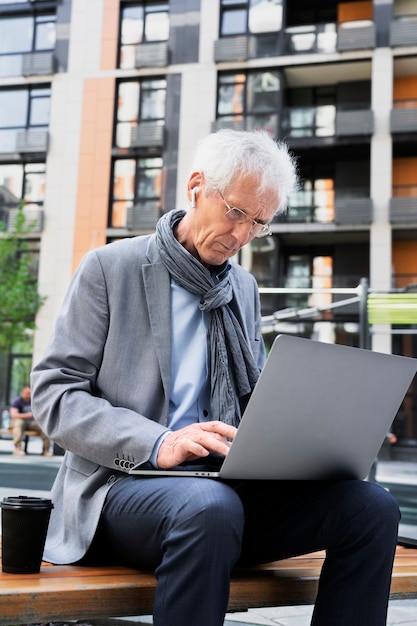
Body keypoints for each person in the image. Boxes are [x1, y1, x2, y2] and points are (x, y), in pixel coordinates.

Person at [31, 129, 400, 626]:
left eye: (259, 223)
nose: (243, 235)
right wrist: (159, 441)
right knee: (209, 506)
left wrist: (331, 434)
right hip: (123, 486)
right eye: (235, 212)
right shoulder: (109, 268)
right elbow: (55, 395)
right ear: (197, 186)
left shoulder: (241, 288)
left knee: (370, 507)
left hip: (224, 486)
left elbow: (258, 401)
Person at [10, 385, 51, 456]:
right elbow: (13, 415)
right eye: (27, 392)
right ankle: (17, 448)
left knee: (43, 426)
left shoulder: (34, 401)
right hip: (18, 422)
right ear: (22, 392)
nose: (28, 394)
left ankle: (46, 450)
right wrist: (28, 415)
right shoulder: (17, 401)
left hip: (31, 423)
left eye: (30, 392)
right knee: (19, 423)